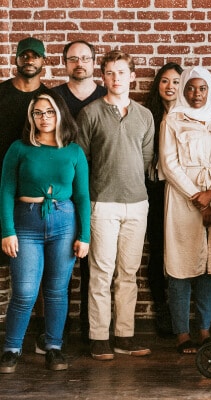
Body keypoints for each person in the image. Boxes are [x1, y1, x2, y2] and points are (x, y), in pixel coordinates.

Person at [0, 91, 90, 373]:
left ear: (60, 113)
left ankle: (54, 346)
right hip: (25, 223)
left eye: (49, 111)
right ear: (31, 117)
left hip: (64, 222)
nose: (44, 117)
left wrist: (84, 235)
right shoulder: (19, 148)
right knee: (25, 292)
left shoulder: (74, 151)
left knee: (56, 291)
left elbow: (83, 196)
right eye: (38, 112)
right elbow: (5, 190)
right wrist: (7, 231)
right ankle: (11, 349)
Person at [76, 50, 155, 361]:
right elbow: (81, 161)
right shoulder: (90, 113)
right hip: (102, 203)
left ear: (131, 76)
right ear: (103, 76)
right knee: (100, 272)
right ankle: (98, 336)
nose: (116, 78)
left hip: (137, 204)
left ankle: (124, 335)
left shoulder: (145, 116)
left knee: (128, 273)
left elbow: (146, 160)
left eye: (122, 72)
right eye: (110, 72)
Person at [159, 66, 211, 354]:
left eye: (202, 88)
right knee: (180, 265)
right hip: (182, 197)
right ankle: (182, 333)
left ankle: (204, 329)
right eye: (190, 87)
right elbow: (168, 163)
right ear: (183, 90)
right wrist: (195, 195)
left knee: (208, 265)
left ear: (210, 90)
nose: (196, 94)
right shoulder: (173, 120)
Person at [51, 39, 108, 345]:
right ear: (65, 63)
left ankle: (90, 327)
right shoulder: (55, 97)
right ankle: (56, 329)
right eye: (73, 59)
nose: (79, 63)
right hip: (61, 189)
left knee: (91, 261)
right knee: (59, 260)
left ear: (94, 62)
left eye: (85, 58)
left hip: (96, 188)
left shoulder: (105, 97)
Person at [142, 62, 183, 338]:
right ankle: (162, 307)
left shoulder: (189, 116)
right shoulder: (148, 116)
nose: (170, 87)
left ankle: (184, 311)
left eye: (176, 82)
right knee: (157, 248)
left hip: (182, 190)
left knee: (181, 248)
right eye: (165, 81)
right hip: (155, 188)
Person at [0, 37, 48, 167]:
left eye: (35, 56)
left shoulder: (48, 98)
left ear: (44, 60)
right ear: (16, 60)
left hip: (33, 171)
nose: (30, 61)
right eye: (24, 56)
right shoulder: (2, 92)